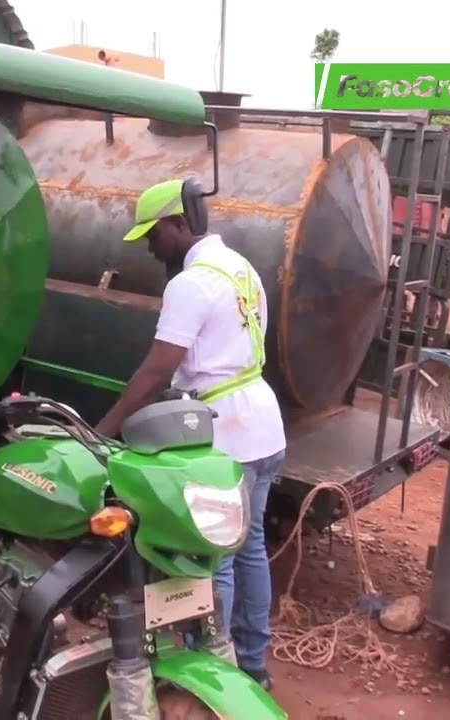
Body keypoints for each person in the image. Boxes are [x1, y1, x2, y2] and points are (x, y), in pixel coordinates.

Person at [94, 178, 287, 691]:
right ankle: (252, 665)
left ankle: (213, 675)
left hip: (225, 434)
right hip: (263, 427)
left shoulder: (192, 282)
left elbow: (157, 372)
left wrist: (102, 431)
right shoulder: (243, 268)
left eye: (154, 235)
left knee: (211, 555)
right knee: (250, 548)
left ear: (179, 224)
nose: (151, 247)